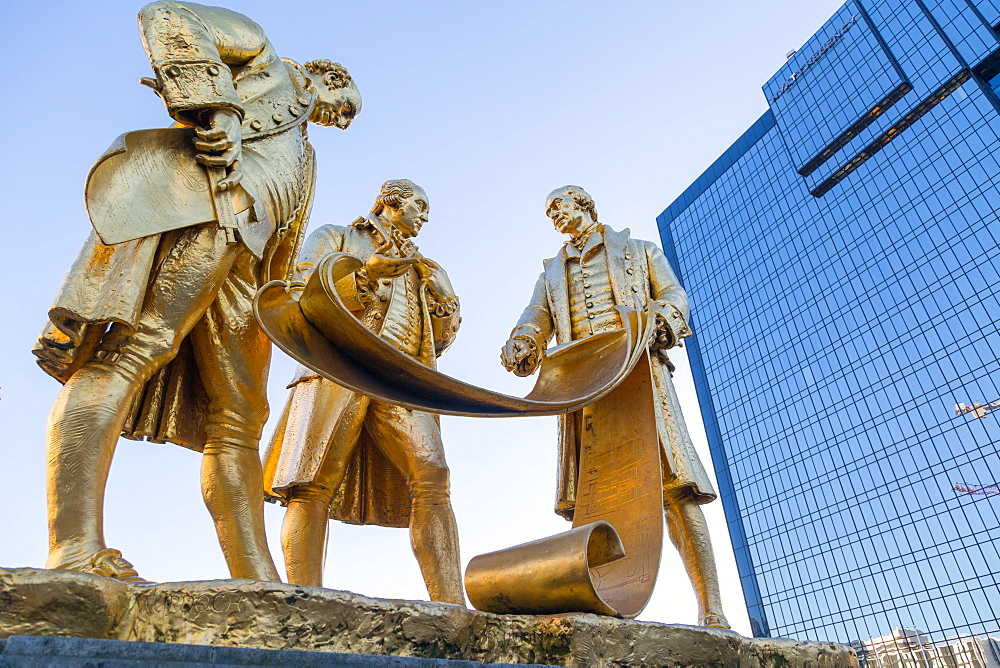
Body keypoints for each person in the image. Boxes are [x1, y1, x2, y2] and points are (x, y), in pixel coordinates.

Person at [33, 0, 361, 583]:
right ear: (331, 79)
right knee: (133, 350)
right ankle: (75, 548)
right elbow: (169, 15)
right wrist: (217, 108)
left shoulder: (305, 155)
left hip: (250, 264)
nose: (341, 119)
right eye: (346, 108)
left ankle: (257, 582)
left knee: (241, 415)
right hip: (206, 208)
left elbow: (287, 248)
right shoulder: (260, 54)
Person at [499, 185, 730, 628]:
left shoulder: (639, 249)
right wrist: (523, 341)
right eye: (549, 212)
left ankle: (711, 608)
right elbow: (535, 315)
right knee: (592, 502)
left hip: (639, 375)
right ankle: (600, 603)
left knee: (676, 489)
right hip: (585, 389)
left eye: (558, 206)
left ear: (582, 204)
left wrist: (660, 320)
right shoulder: (551, 274)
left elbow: (675, 296)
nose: (554, 216)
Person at [263, 179, 464, 605]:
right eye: (419, 204)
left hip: (402, 381)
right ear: (390, 201)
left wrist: (446, 300)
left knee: (433, 478)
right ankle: (305, 601)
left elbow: (438, 343)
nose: (426, 215)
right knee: (311, 483)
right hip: (338, 369)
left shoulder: (423, 265)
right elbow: (301, 297)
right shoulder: (337, 236)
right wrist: (367, 275)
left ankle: (451, 607)